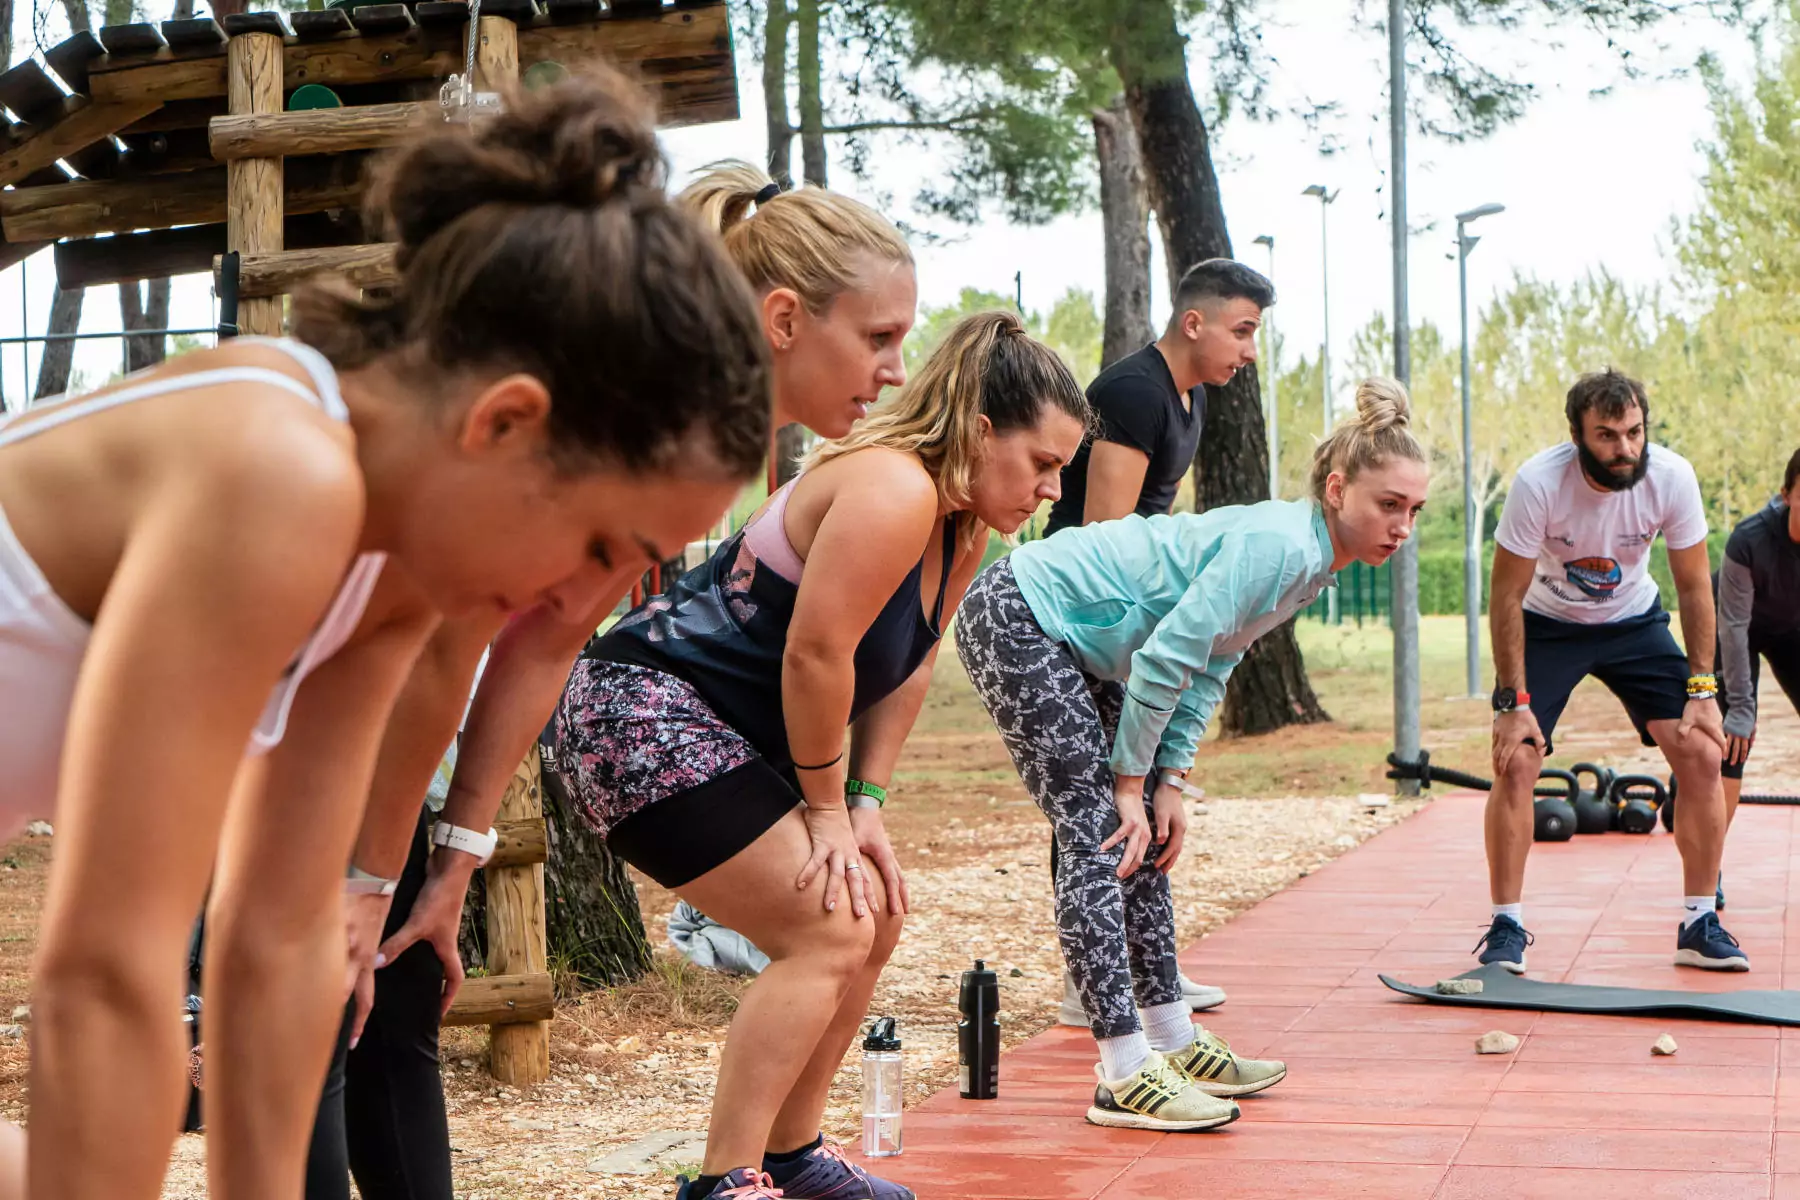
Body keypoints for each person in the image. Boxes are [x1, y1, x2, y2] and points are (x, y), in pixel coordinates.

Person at [0, 70, 771, 1200]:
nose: (581, 603)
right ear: (505, 422)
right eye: (607, 544)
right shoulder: (280, 472)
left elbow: (274, 947)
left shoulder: (390, 573)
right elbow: (105, 981)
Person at [304, 161, 922, 1199]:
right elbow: (443, 638)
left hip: (377, 668)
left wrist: (451, 860)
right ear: (781, 318)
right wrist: (368, 876)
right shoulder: (644, 414)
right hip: (297, 645)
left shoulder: (714, 447)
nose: (898, 371)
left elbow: (541, 642)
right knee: (317, 1002)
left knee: (399, 991)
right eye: (878, 338)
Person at [543, 312, 1089, 1200]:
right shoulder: (893, 487)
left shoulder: (961, 527)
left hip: (718, 729)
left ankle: (795, 1158)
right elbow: (816, 656)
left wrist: (866, 801)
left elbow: (904, 671)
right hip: (634, 709)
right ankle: (724, 1180)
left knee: (869, 907)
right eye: (1043, 463)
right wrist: (826, 811)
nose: (1051, 490)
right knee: (827, 925)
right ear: (982, 432)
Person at [956, 378, 1428, 1131]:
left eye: (1414, 510)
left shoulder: (1309, 559)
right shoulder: (1279, 546)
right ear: (1338, 490)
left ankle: (1171, 1037)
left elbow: (1212, 663)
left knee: (1144, 824)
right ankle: (1121, 1070)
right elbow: (1167, 658)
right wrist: (1129, 781)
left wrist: (1169, 779)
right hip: (1020, 611)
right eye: (1388, 505)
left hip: (1085, 644)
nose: (1402, 526)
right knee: (1100, 832)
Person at [1043, 256, 1272, 1025]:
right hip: (1082, 619)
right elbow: (1104, 540)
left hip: (1128, 620)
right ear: (1193, 321)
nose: (1248, 350)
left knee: (1124, 791)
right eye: (1242, 331)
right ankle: (1094, 983)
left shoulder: (1188, 397)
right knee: (1099, 796)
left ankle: (1143, 971)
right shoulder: (1135, 393)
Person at [1478, 368, 1735, 975]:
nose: (1625, 449)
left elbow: (1696, 587)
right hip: (1548, 624)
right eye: (1607, 436)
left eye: (1634, 432)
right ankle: (1505, 927)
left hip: (1634, 622)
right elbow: (1506, 596)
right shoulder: (1539, 483)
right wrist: (1511, 703)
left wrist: (1703, 690)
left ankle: (1700, 921)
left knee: (1702, 751)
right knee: (1516, 759)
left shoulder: (1672, 477)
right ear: (1577, 436)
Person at [1711, 446, 1800, 909]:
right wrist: (1742, 709)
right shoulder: (1750, 539)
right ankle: (1709, 869)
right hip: (1733, 625)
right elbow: (1734, 627)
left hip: (1792, 629)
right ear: (1787, 495)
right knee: (1730, 743)